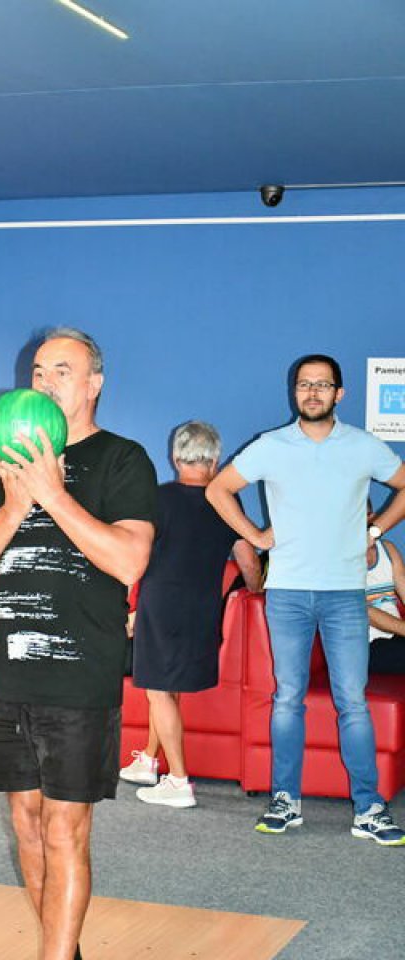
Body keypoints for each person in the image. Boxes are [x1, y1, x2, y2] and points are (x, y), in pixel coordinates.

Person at [0, 328, 157, 960]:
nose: (45, 382)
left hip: (79, 678)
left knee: (67, 830)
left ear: (94, 383)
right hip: (11, 676)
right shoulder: (1, 464)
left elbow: (129, 561)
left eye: (62, 371)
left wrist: (54, 494)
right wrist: (15, 505)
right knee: (28, 828)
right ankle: (60, 947)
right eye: (39, 371)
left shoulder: (124, 459)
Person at [206, 354, 405, 846]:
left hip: (344, 595)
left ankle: (369, 808)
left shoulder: (363, 446)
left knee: (352, 702)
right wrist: (255, 534)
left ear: (340, 393)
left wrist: (375, 528)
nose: (312, 392)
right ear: (294, 392)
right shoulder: (271, 446)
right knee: (287, 699)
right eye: (303, 385)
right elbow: (218, 490)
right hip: (288, 593)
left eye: (322, 385)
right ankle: (285, 799)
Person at [119, 421, 261, 807]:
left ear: (175, 457)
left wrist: (130, 608)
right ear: (215, 459)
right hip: (201, 608)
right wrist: (256, 594)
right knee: (165, 687)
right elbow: (248, 559)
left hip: (160, 605)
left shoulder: (156, 498)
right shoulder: (226, 502)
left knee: (159, 689)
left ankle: (179, 782)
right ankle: (149, 761)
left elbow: (135, 557)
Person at [366, 521, 405, 674]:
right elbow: (366, 612)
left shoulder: (387, 549)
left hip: (394, 638)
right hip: (363, 648)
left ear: (371, 516)